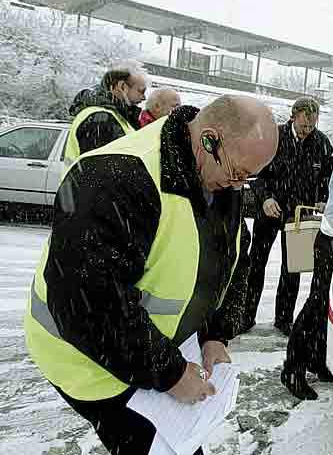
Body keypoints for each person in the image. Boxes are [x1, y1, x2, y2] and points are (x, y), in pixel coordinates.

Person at [24, 95, 279, 455]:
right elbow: (89, 307)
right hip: (89, 362)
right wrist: (170, 374)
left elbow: (233, 257)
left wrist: (216, 334)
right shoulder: (116, 177)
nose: (239, 186)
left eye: (248, 178)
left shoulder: (219, 175)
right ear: (209, 139)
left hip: (148, 351)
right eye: (237, 173)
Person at [243, 97, 333, 336]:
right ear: (293, 117)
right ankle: (246, 316)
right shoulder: (273, 137)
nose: (307, 130)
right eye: (304, 125)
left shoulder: (322, 144)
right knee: (256, 264)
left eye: (312, 126)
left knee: (293, 268)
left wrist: (323, 197)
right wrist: (265, 198)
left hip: (299, 214)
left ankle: (284, 319)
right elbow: (257, 174)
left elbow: (327, 177)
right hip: (270, 210)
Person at [281, 134, 333, 400]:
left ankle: (316, 358)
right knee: (317, 305)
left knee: (328, 305)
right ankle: (292, 369)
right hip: (332, 240)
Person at [65, 61, 148, 164]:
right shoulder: (100, 118)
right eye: (141, 91)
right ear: (122, 86)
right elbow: (100, 168)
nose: (144, 97)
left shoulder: (117, 115)